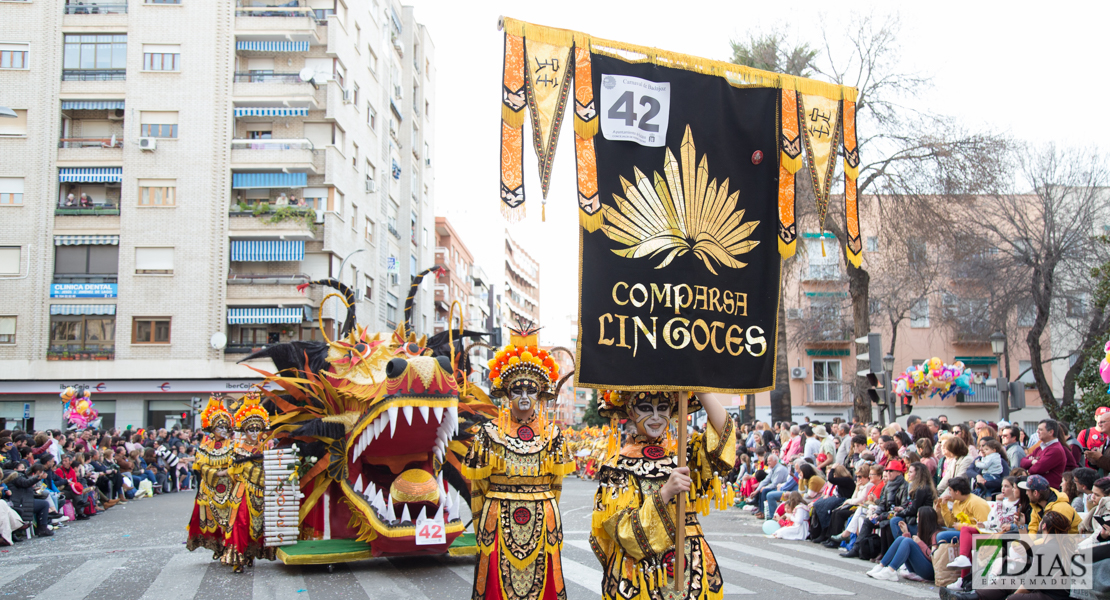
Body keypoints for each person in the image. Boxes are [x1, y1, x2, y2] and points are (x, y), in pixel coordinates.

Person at [464, 324, 574, 600]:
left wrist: (546, 509)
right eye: (517, 390)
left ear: (541, 393)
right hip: (497, 521)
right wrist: (481, 526)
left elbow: (556, 486)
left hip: (543, 518)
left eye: (531, 390)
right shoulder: (488, 432)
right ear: (506, 393)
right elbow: (478, 488)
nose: (524, 397)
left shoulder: (553, 434)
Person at [590, 390, 735, 600]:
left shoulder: (685, 455)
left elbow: (723, 440)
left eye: (663, 408)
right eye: (646, 409)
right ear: (630, 412)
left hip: (690, 562)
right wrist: (665, 493)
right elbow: (622, 531)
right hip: (641, 572)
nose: (656, 417)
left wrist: (701, 388)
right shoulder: (617, 467)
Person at [221, 394, 275, 573]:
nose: (253, 433)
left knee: (260, 526)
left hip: (263, 491)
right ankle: (238, 558)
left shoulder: (266, 447)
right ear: (244, 431)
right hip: (244, 490)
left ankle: (251, 554)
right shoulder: (238, 450)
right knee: (241, 523)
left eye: (256, 429)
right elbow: (232, 471)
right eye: (250, 430)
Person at [186, 397, 235, 558]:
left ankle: (230, 546)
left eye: (224, 426)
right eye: (219, 426)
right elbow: (200, 464)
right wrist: (217, 473)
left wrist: (229, 471)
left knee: (230, 520)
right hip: (209, 488)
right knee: (211, 520)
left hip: (229, 487)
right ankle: (217, 547)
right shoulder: (205, 446)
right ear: (212, 428)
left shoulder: (232, 445)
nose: (222, 430)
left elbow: (236, 462)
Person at [868, 506, 940, 582]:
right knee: (901, 538)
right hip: (920, 568)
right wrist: (906, 533)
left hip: (930, 571)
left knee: (908, 541)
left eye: (919, 517)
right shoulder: (922, 532)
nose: (917, 519)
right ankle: (881, 566)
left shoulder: (936, 534)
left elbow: (934, 557)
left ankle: (891, 570)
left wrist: (919, 542)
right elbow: (916, 551)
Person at [1019, 419, 1068, 490]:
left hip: (1049, 491)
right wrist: (1032, 462)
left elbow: (1036, 469)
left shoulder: (1055, 449)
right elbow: (1022, 462)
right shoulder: (1040, 447)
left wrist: (1028, 470)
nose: (1037, 432)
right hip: (1038, 490)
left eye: (1040, 429)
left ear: (1051, 432)